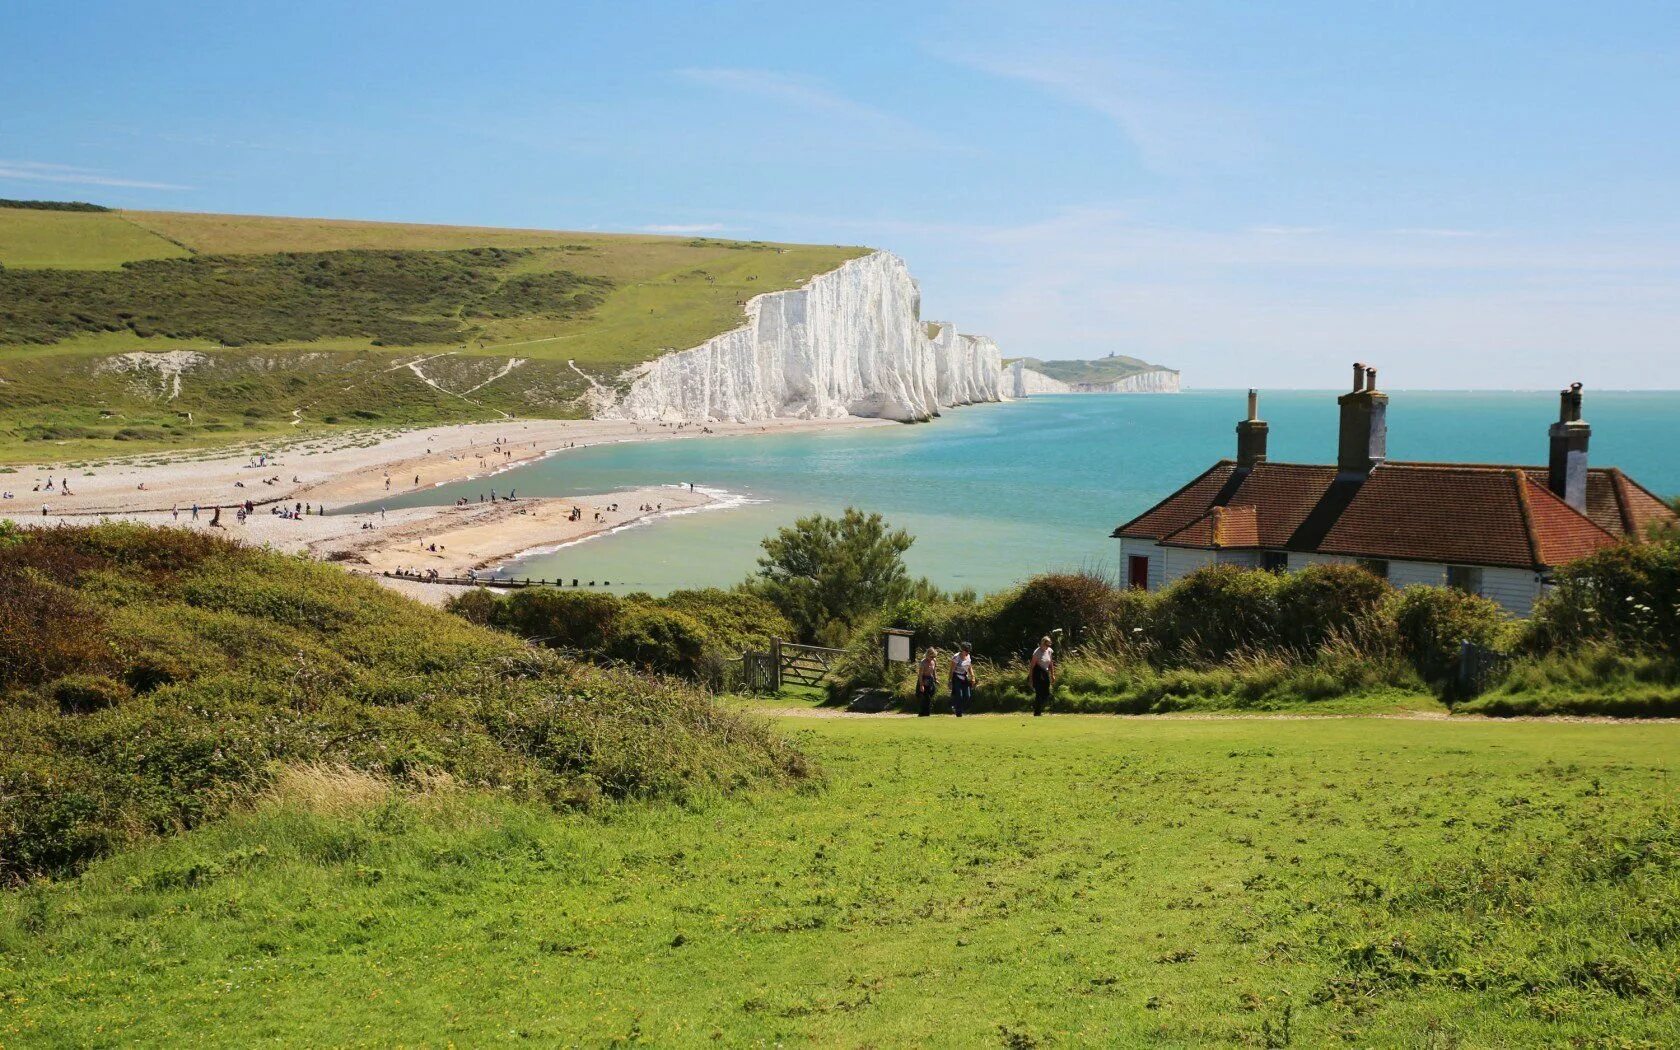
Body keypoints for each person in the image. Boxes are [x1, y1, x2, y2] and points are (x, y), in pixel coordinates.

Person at [1029, 635, 1056, 717]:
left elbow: (1051, 663)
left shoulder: (1049, 651)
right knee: (1039, 693)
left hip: (1045, 672)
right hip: (1037, 672)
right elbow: (1032, 666)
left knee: (1046, 693)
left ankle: (1038, 708)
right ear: (1042, 643)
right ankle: (1037, 712)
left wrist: (1052, 675)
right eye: (1046, 645)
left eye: (1049, 645)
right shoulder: (1037, 652)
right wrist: (1031, 679)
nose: (1048, 647)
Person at [949, 642, 976, 717]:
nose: (968, 652)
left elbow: (969, 667)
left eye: (969, 651)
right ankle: (958, 713)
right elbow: (951, 670)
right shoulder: (956, 657)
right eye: (966, 651)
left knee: (967, 696)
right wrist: (950, 681)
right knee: (959, 695)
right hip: (956, 678)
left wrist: (973, 677)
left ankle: (958, 707)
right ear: (962, 650)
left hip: (965, 678)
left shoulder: (968, 656)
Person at [916, 646, 940, 717]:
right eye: (931, 657)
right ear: (927, 655)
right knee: (926, 697)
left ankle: (925, 712)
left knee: (931, 694)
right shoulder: (923, 662)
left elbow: (934, 671)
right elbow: (920, 675)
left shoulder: (934, 661)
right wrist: (921, 685)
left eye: (933, 657)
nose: (932, 658)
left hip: (930, 680)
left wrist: (936, 679)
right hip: (923, 679)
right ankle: (924, 713)